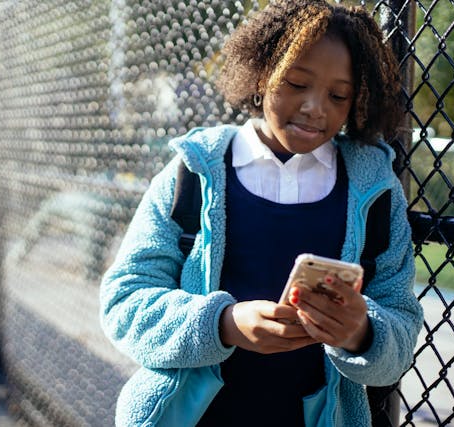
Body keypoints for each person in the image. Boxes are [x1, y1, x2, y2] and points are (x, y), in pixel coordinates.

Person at [100, 0, 424, 425]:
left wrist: (361, 333)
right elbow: (124, 302)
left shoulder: (376, 192)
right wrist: (224, 324)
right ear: (259, 72)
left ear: (356, 98)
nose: (314, 107)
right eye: (295, 83)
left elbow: (400, 335)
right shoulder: (193, 172)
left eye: (337, 95)